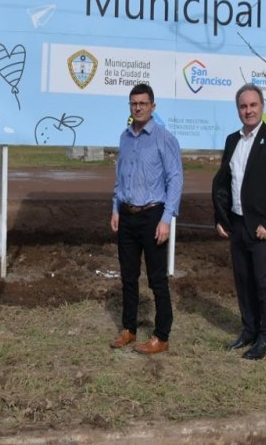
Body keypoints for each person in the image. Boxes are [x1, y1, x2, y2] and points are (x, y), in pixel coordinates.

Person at [212, 83, 266, 360]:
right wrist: (220, 217)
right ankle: (249, 331)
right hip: (238, 225)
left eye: (253, 105)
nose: (248, 111)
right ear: (238, 110)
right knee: (244, 282)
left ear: (262, 107)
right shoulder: (233, 141)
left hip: (264, 229)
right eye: (243, 106)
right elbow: (224, 182)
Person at [110, 83, 183, 355]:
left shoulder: (164, 138)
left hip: (153, 215)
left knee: (156, 279)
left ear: (153, 106)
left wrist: (166, 219)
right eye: (133, 103)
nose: (138, 107)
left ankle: (161, 335)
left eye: (143, 103)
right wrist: (115, 208)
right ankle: (128, 329)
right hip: (127, 216)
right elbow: (120, 178)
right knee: (128, 277)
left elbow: (175, 179)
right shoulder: (124, 138)